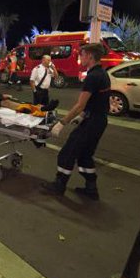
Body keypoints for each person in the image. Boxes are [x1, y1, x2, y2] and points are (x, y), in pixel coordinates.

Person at [41, 43, 110, 200]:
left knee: (68, 152)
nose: (80, 58)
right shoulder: (102, 74)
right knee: (85, 155)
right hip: (98, 120)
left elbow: (80, 105)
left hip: (92, 122)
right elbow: (97, 101)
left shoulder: (92, 76)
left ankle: (59, 185)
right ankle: (91, 189)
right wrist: (83, 115)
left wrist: (62, 123)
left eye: (82, 55)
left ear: (90, 56)